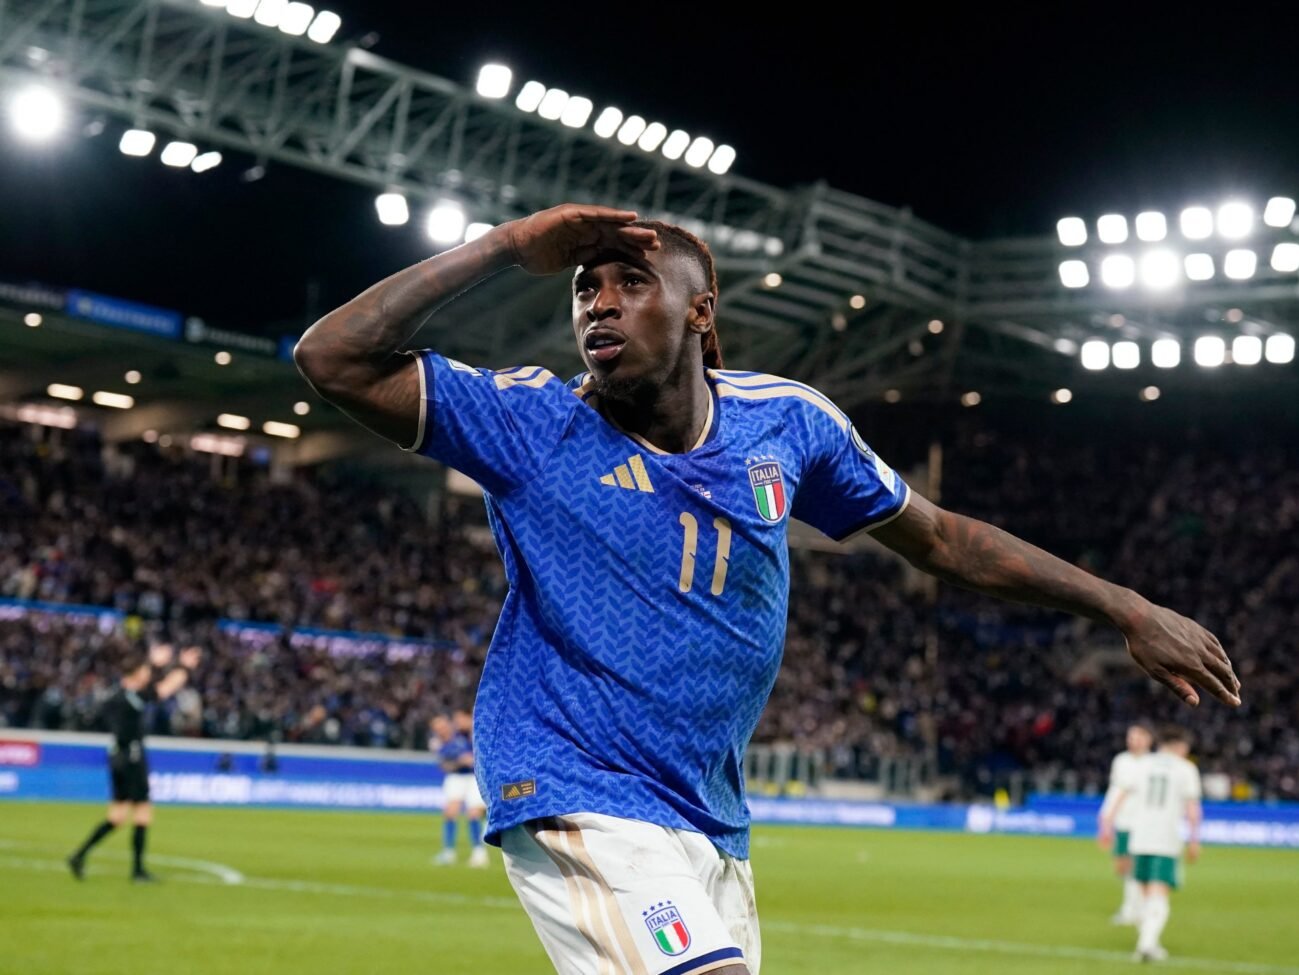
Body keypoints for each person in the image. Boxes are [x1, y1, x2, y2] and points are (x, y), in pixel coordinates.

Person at [293, 203, 1241, 975]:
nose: (600, 305)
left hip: (710, 813)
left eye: (632, 283)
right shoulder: (532, 424)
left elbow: (943, 539)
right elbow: (330, 357)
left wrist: (1125, 605)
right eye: (585, 287)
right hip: (576, 787)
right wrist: (506, 247)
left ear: (699, 311)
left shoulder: (787, 423)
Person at [67, 644, 201, 882]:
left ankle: (79, 855)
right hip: (132, 759)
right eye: (145, 671)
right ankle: (138, 870)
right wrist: (182, 666)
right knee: (143, 812)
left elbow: (154, 688)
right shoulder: (132, 698)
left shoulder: (117, 694)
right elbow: (164, 689)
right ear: (137, 673)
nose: (148, 675)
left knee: (117, 816)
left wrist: (161, 664)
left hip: (117, 757)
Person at [1101, 725, 1203, 963]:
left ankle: (1148, 940)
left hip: (1139, 836)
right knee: (1159, 891)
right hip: (1165, 838)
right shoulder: (1186, 769)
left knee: (1146, 891)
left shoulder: (1143, 764)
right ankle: (1146, 944)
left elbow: (1119, 795)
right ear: (1181, 746)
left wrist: (1107, 822)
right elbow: (1192, 808)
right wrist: (1194, 839)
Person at [1098, 722, 1154, 925]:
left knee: (1138, 868)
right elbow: (1114, 791)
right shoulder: (1121, 761)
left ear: (1148, 739)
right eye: (1130, 737)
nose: (1132, 741)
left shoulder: (1154, 764)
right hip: (1123, 821)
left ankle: (1136, 909)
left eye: (1137, 737)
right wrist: (1105, 819)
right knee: (1122, 868)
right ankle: (1134, 907)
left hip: (1144, 823)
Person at [429, 713, 489, 867]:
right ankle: (449, 852)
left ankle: (479, 852)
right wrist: (460, 762)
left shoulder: (462, 733)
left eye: (443, 726)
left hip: (472, 777)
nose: (441, 730)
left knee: (473, 813)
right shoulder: (437, 745)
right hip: (455, 777)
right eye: (438, 728)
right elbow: (445, 766)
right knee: (450, 812)